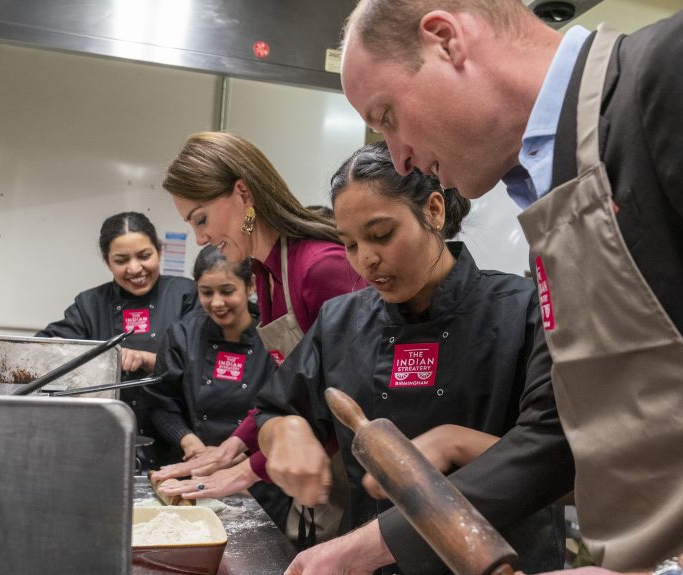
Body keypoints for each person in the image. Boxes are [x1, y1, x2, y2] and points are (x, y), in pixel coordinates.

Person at [279, 1, 683, 574]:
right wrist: (368, 547)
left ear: (445, 40)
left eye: (388, 117)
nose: (400, 157)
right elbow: (557, 435)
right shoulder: (560, 194)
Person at [236, 141, 564, 573]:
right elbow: (275, 410)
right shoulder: (341, 321)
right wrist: (285, 431)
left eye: (381, 235)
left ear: (433, 210)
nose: (366, 261)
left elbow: (562, 461)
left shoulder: (522, 310)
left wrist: (455, 444)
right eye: (350, 244)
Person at [154, 131, 364, 543]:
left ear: (243, 193)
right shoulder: (268, 276)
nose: (200, 240)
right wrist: (232, 446)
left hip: (352, 472)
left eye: (201, 219)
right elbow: (285, 389)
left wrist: (251, 468)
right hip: (312, 471)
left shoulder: (319, 266)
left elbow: (351, 395)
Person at [36, 211, 197, 468]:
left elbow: (200, 366)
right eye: (121, 260)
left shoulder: (185, 295)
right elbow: (45, 349)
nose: (135, 269)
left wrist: (147, 359)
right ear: (107, 261)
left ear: (159, 250)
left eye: (145, 256)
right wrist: (103, 360)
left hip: (178, 443)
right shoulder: (90, 304)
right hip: (103, 441)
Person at [144, 244, 289, 525]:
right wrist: (192, 445)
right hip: (195, 477)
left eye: (227, 291)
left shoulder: (273, 336)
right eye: (206, 292)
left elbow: (281, 409)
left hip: (259, 481)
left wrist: (240, 455)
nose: (217, 302)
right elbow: (161, 404)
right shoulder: (183, 335)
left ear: (249, 285)